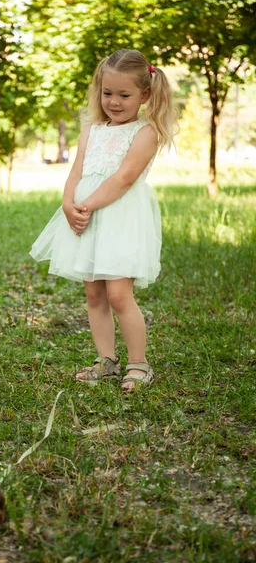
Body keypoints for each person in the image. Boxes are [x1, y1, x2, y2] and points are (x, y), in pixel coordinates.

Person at [30, 49, 177, 393]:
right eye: (107, 93)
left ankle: (139, 363)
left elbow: (124, 179)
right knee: (94, 293)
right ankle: (106, 360)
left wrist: (87, 206)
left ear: (144, 94)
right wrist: (69, 205)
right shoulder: (91, 130)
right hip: (85, 217)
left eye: (124, 95)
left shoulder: (145, 133)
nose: (114, 101)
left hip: (118, 218)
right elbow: (76, 173)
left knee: (119, 294)